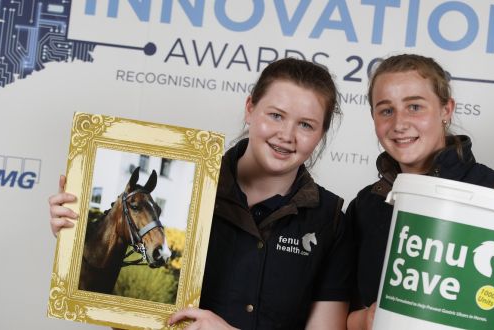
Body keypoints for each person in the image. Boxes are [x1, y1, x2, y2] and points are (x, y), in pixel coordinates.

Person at [49, 58, 353, 329]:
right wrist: (75, 240)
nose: (286, 135)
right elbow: (131, 313)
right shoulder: (196, 187)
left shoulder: (330, 221)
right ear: (250, 108)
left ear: (321, 134)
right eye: (275, 115)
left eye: (305, 125)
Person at [345, 54, 494, 330]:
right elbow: (340, 312)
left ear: (446, 109)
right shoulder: (366, 205)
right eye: (386, 110)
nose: (399, 123)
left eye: (414, 106)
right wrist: (363, 321)